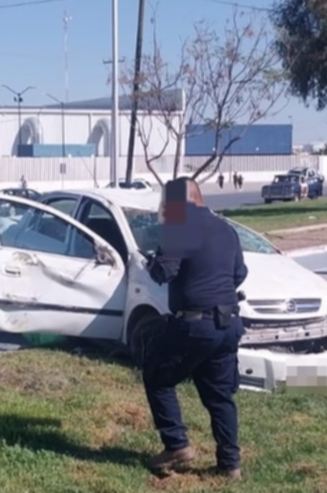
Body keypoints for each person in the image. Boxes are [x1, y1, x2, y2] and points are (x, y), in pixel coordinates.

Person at [142, 177, 247, 480]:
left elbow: (164, 271)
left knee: (157, 373)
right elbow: (239, 273)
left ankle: (176, 445)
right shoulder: (226, 229)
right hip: (228, 324)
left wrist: (151, 262)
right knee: (219, 397)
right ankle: (230, 464)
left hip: (194, 325)